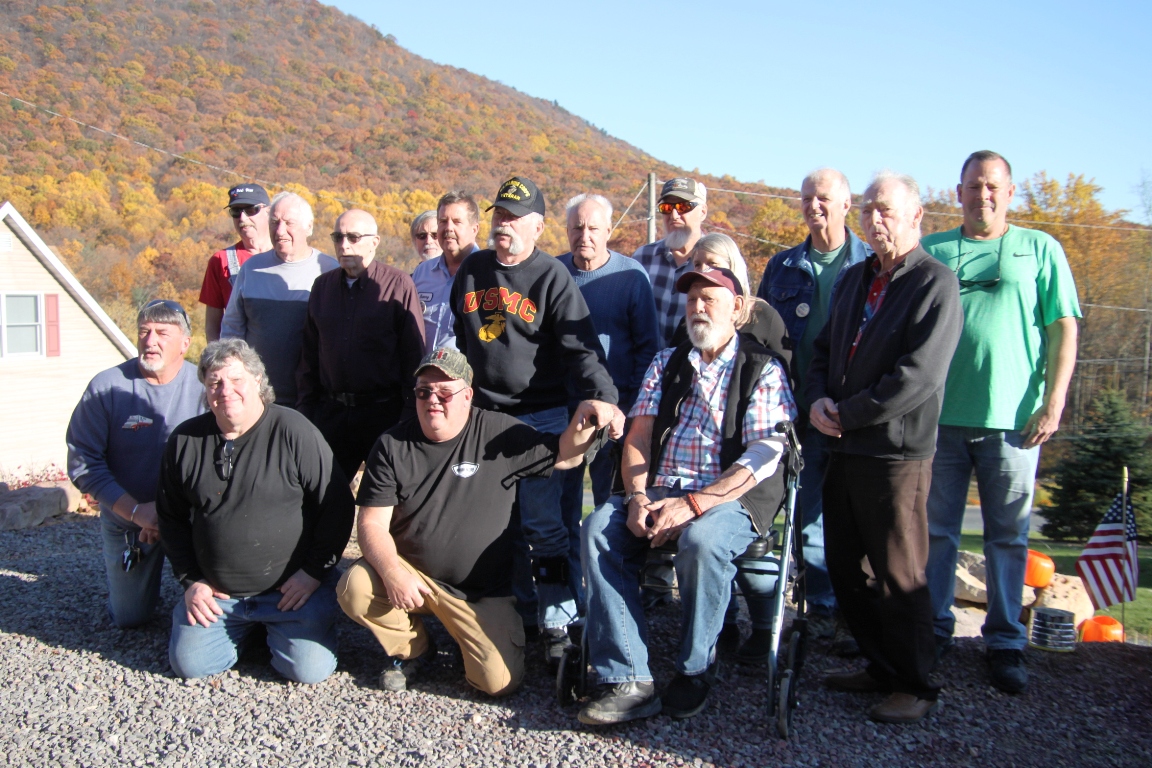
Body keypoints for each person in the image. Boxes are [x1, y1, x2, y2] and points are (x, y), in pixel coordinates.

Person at [337, 347, 624, 695]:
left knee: (497, 683)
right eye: (424, 392)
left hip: (481, 594)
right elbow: (371, 525)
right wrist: (393, 573)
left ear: (467, 395)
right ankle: (414, 649)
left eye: (444, 392)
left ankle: (468, 636)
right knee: (355, 587)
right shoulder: (391, 445)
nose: (432, 400)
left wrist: (586, 415)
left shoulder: (498, 432)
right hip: (415, 579)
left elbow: (565, 456)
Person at [579, 267, 796, 725]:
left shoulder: (762, 368)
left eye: (709, 299)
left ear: (737, 308)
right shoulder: (667, 361)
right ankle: (629, 677)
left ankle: (696, 668)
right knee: (599, 529)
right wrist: (637, 496)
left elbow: (764, 454)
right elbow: (638, 435)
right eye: (692, 299)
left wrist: (695, 504)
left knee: (703, 541)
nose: (697, 307)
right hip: (660, 487)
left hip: (729, 497)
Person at [922, 150, 1081, 694]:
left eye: (992, 186)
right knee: (936, 533)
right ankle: (935, 629)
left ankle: (1006, 641)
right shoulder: (934, 249)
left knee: (1008, 536)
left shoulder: (1039, 248)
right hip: (940, 420)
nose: (982, 195)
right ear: (959, 192)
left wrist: (1054, 402)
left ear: (1010, 192)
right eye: (973, 185)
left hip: (1015, 423)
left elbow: (1063, 329)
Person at [807, 172, 961, 724]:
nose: (875, 219)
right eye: (869, 209)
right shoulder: (855, 279)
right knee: (847, 567)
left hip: (896, 454)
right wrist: (818, 400)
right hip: (844, 447)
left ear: (916, 216)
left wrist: (846, 415)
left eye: (886, 210)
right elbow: (822, 350)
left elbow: (917, 377)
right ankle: (880, 666)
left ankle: (915, 684)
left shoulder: (935, 284)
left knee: (900, 574)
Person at [450, 175, 618, 663]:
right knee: (496, 524)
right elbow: (459, 342)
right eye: (499, 215)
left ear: (538, 227)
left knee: (544, 526)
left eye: (514, 217)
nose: (503, 225)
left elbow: (582, 350)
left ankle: (559, 622)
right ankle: (518, 616)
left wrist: (604, 397)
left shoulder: (552, 277)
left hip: (540, 417)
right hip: (483, 416)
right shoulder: (473, 270)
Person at [157, 339, 355, 683]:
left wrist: (312, 573)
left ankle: (285, 628)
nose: (226, 390)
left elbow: (336, 505)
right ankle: (249, 632)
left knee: (308, 671)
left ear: (258, 381)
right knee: (191, 665)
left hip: (291, 593)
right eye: (215, 383)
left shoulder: (294, 431)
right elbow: (170, 518)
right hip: (218, 597)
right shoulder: (186, 441)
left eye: (236, 380)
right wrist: (191, 581)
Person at [756, 168, 871, 655]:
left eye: (823, 197)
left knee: (856, 514)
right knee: (804, 514)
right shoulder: (782, 267)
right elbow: (760, 335)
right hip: (793, 407)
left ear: (846, 204)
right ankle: (818, 608)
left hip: (852, 409)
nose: (813, 206)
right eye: (806, 198)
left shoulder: (870, 263)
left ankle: (856, 612)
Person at [66, 300, 205, 627]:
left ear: (185, 343)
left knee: (214, 603)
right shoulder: (106, 387)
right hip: (128, 518)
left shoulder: (206, 386)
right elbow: (83, 461)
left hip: (193, 516)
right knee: (130, 618)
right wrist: (136, 511)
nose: (150, 341)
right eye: (144, 331)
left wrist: (171, 512)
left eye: (162, 333)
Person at [556, 193, 660, 616]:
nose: (585, 235)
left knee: (608, 513)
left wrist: (630, 411)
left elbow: (647, 349)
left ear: (609, 231)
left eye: (593, 227)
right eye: (577, 227)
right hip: (562, 415)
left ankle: (611, 604)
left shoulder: (631, 277)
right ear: (566, 230)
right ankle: (566, 605)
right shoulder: (553, 272)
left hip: (615, 417)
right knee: (560, 514)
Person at [297, 208, 425, 480]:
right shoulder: (322, 288)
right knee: (323, 492)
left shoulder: (398, 285)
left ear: (374, 242)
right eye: (338, 237)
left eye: (353, 237)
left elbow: (413, 356)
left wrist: (408, 416)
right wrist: (307, 410)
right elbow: (309, 354)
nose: (344, 245)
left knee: (388, 491)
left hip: (383, 414)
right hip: (332, 413)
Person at [220, 192, 338, 407]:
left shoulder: (330, 271)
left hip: (312, 399)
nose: (280, 230)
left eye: (289, 223)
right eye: (274, 222)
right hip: (257, 398)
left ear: (309, 227)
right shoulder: (251, 269)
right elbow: (232, 329)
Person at [632, 178, 709, 346]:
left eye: (683, 207)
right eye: (666, 208)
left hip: (695, 360)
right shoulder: (642, 258)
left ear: (703, 212)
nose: (674, 215)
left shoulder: (717, 260)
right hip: (647, 361)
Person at [199, 184, 273, 342]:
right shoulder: (220, 260)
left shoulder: (287, 256)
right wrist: (216, 355)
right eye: (236, 211)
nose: (243, 218)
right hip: (238, 354)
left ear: (268, 212)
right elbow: (212, 327)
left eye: (251, 210)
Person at [412, 192, 482, 353]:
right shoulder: (422, 272)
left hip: (466, 368)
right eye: (443, 221)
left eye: (457, 222)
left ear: (474, 229)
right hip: (422, 367)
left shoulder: (489, 274)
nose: (449, 227)